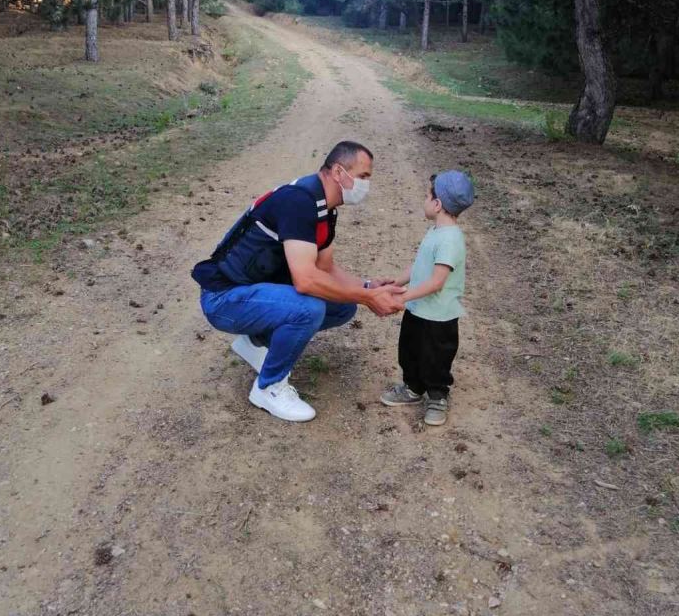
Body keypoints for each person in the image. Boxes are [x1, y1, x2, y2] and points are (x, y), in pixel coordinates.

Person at [192, 141, 405, 423]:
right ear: (339, 172)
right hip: (223, 298)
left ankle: (256, 343)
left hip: (251, 293)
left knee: (343, 306)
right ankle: (268, 387)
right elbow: (306, 281)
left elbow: (325, 268)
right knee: (309, 307)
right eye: (363, 176)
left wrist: (367, 288)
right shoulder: (299, 202)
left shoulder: (325, 208)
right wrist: (367, 298)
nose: (366, 185)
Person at [380, 170, 474, 426]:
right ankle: (412, 388)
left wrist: (403, 297)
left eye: (427, 195)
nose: (424, 199)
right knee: (409, 350)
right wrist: (396, 283)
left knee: (436, 358)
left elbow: (437, 281)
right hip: (418, 309)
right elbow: (420, 266)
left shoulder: (451, 239)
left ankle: (437, 396)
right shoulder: (435, 231)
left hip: (439, 316)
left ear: (437, 203)